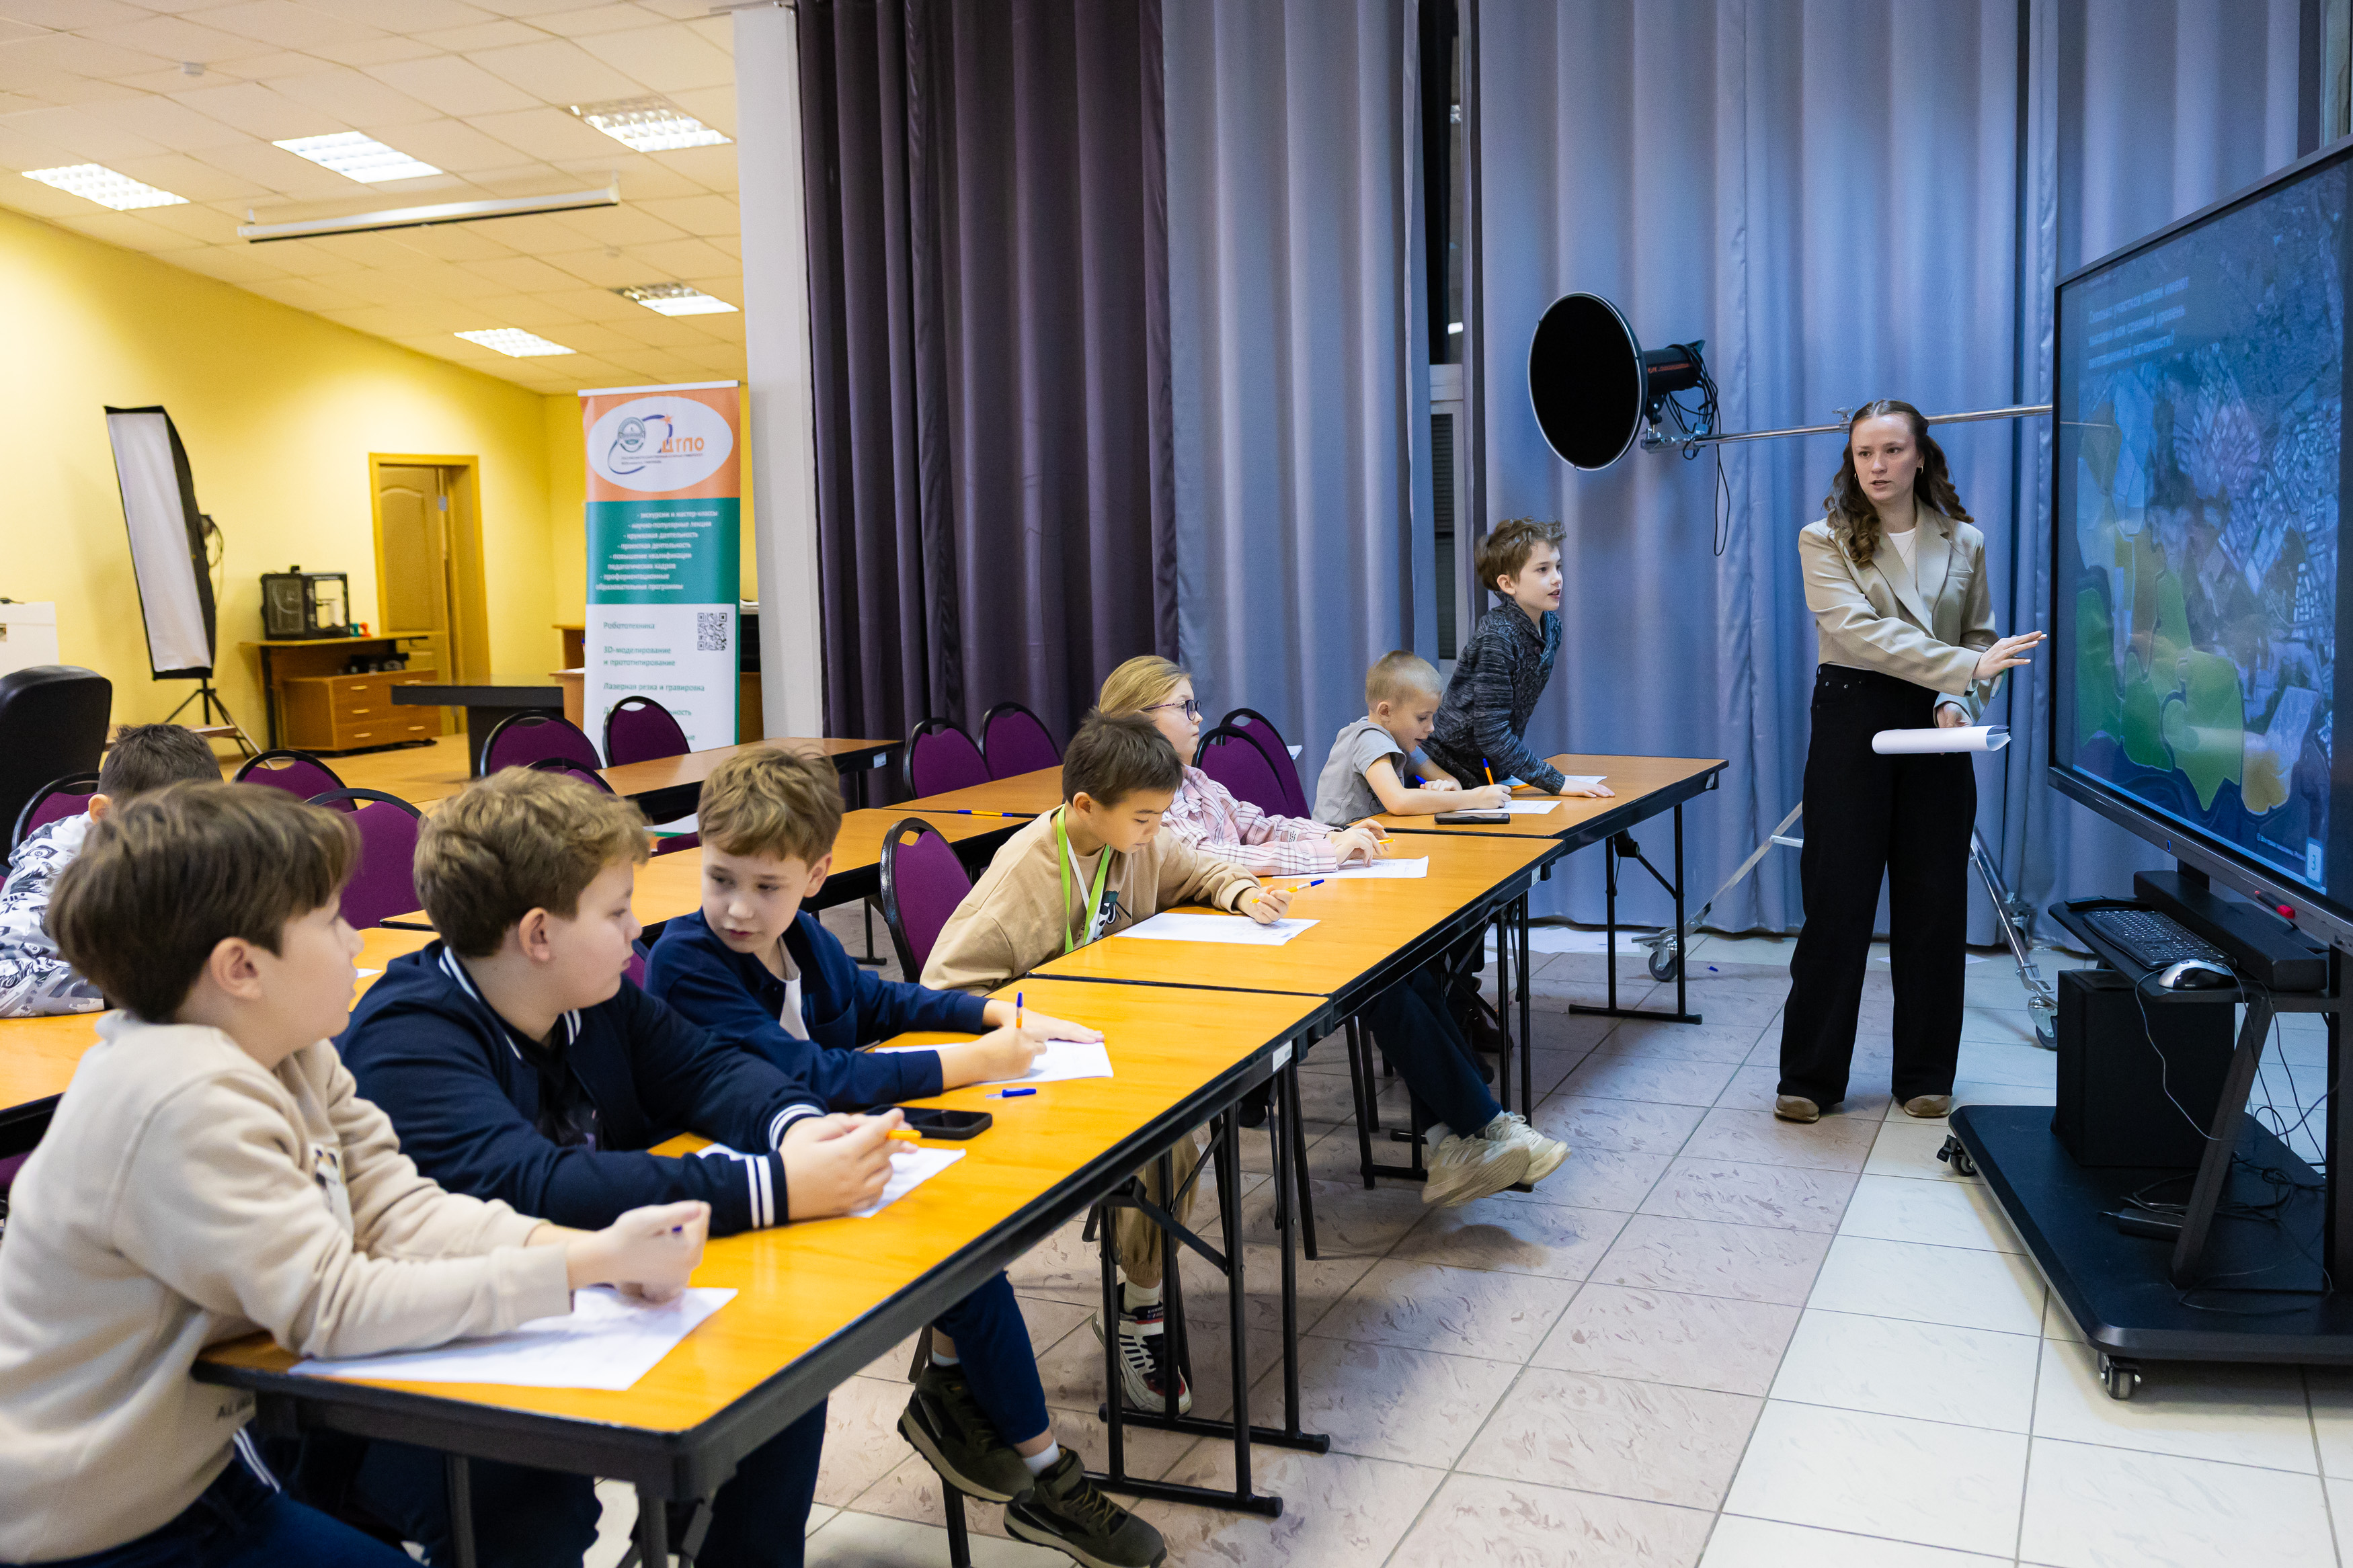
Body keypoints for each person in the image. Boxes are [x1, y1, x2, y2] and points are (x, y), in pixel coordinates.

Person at [0, 782, 705, 1568]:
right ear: (241, 967)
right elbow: (333, 1306)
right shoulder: (180, 1096)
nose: (355, 940)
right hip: (90, 1529)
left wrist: (581, 1250)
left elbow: (398, 1209)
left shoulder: (291, 1049)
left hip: (199, 1484)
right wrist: (583, 1262)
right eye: (331, 920)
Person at [335, 769, 891, 1568]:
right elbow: (536, 1185)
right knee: (533, 1500)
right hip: (411, 1373)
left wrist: (795, 1127)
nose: (637, 929)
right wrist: (775, 1186)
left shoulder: (586, 994)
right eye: (616, 910)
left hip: (570, 1304)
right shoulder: (409, 1034)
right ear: (539, 934)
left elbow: (705, 1068)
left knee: (775, 1379)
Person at [643, 747, 1167, 1568]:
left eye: (766, 886)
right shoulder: (686, 961)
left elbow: (881, 1001)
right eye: (720, 879)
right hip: (734, 1204)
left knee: (966, 1249)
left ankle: (996, 1432)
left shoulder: (803, 939)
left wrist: (991, 1014)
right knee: (956, 1259)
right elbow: (810, 1074)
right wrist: (968, 1062)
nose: (738, 907)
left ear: (816, 876)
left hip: (817, 1174)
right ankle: (1020, 1455)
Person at [922, 711, 1290, 1415]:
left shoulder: (1139, 838)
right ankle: (1142, 1312)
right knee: (1168, 1137)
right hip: (1029, 1068)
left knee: (1180, 1117)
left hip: (1110, 1042)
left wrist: (1242, 891)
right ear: (1087, 806)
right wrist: (1029, 1022)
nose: (1157, 829)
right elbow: (940, 993)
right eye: (1146, 817)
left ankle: (1137, 1297)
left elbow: (1200, 865)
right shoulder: (1019, 881)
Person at [1105, 656, 1569, 1205]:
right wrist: (1327, 852)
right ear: (1138, 718)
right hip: (1203, 959)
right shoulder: (1137, 795)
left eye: (1196, 704)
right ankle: (1477, 1129)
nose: (1199, 717)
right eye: (1185, 707)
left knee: (1402, 966)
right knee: (1377, 978)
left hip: (1244, 927)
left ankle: (1463, 1138)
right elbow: (1208, 857)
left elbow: (1262, 826)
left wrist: (1331, 832)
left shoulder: (1196, 781)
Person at [1775, 400, 2042, 1124]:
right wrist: (1964, 667)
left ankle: (1925, 1074)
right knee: (1837, 902)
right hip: (1852, 718)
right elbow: (1859, 633)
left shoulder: (1965, 540)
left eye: (1892, 450)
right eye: (1863, 453)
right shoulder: (1822, 538)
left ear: (1920, 455)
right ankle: (1809, 1077)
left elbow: (1981, 639)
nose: (1877, 465)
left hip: (1938, 729)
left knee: (1934, 904)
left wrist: (1959, 698)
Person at [0, 722, 222, 1016]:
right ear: (103, 814)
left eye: (200, 828)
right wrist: (153, 988)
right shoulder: (55, 859)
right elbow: (6, 978)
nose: (185, 849)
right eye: (163, 831)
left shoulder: (218, 837)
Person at [1423, 518, 1613, 802]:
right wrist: (1557, 782)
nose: (1557, 578)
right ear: (1508, 584)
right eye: (1543, 570)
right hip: (1448, 772)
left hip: (1491, 773)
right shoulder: (1498, 637)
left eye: (1558, 567)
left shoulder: (1552, 627)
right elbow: (1491, 733)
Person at [1313, 651, 1511, 823]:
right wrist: (1474, 798)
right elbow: (1399, 802)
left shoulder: (1399, 741)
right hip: (1337, 842)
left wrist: (1443, 789)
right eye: (1422, 718)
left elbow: (1452, 783)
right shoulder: (1369, 739)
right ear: (1385, 712)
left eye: (1432, 717)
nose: (1431, 728)